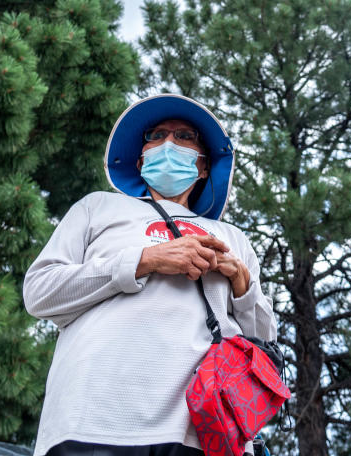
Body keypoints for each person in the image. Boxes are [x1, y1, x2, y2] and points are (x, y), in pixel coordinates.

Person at [24, 94, 277, 456]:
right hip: (89, 420)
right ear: (141, 161)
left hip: (204, 432)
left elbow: (264, 343)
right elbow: (39, 293)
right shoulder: (97, 207)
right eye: (156, 135)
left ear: (204, 167)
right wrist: (146, 260)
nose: (169, 143)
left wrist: (241, 281)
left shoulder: (233, 238)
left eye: (185, 137)